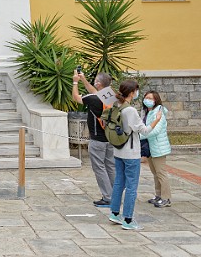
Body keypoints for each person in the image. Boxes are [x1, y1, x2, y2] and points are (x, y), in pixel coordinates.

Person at [107, 79, 161, 231]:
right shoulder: (130, 110)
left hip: (118, 150)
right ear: (132, 93)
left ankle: (115, 213)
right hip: (130, 153)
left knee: (119, 183)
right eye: (136, 91)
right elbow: (143, 130)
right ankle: (128, 219)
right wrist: (156, 120)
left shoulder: (117, 105)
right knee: (131, 186)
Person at [72, 70, 115, 207]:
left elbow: (77, 98)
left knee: (99, 168)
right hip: (110, 138)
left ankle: (107, 197)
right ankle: (115, 194)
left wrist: (75, 82)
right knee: (110, 166)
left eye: (96, 80)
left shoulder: (94, 99)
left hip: (97, 140)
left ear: (99, 83)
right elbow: (94, 92)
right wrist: (84, 79)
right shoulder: (110, 96)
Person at [140, 91, 172, 207]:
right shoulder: (147, 112)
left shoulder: (159, 112)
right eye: (146, 97)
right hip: (150, 147)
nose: (147, 100)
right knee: (155, 173)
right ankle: (158, 195)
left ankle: (166, 198)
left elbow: (156, 130)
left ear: (156, 100)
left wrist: (141, 135)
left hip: (158, 147)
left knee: (161, 173)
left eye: (150, 98)